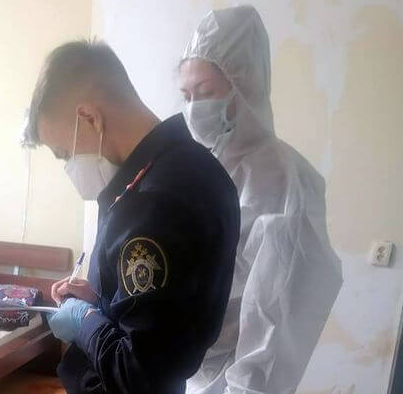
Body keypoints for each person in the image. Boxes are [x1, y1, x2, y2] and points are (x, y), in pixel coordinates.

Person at [23, 40, 240, 393]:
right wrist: (104, 301)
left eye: (64, 152)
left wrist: (84, 320)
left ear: (89, 118)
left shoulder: (152, 201)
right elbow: (169, 314)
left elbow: (139, 373)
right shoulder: (193, 166)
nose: (68, 166)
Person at [179, 5, 343, 394]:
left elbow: (274, 320)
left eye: (205, 93)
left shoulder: (287, 180)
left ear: (246, 84)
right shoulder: (196, 168)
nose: (193, 108)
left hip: (232, 382)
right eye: (185, 95)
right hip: (185, 371)